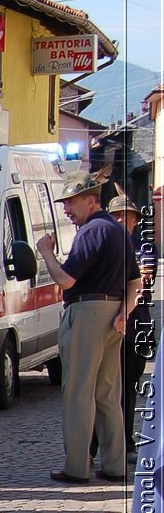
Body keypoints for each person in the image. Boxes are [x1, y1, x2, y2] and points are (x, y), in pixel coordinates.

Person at [38, 173, 142, 484]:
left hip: (86, 312)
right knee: (108, 393)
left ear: (90, 199)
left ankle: (76, 467)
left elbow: (66, 280)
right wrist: (124, 313)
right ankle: (115, 464)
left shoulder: (91, 231)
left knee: (78, 392)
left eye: (70, 202)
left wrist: (46, 252)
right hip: (113, 313)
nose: (66, 209)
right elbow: (135, 283)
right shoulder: (118, 231)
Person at [104, 194, 153, 454]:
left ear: (135, 220)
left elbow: (143, 279)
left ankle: (125, 441)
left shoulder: (143, 248)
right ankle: (100, 444)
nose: (122, 219)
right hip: (106, 325)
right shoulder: (104, 245)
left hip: (135, 327)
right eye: (116, 216)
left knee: (128, 387)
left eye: (127, 215)